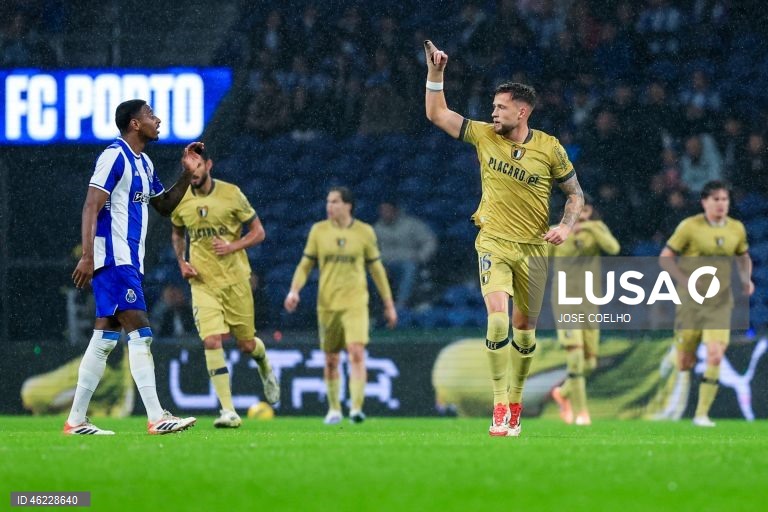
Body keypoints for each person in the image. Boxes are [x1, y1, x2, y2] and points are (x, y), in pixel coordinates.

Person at [423, 40, 584, 437]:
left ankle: (515, 400)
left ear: (522, 111)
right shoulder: (483, 136)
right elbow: (437, 113)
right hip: (493, 241)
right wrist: (436, 73)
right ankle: (498, 406)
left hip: (534, 249)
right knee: (497, 323)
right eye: (493, 107)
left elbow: (575, 194)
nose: (493, 112)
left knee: (525, 333)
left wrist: (564, 226)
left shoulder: (550, 148)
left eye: (500, 107)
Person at [65, 99, 202, 435]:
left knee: (105, 339)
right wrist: (87, 255)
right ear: (135, 124)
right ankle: (156, 416)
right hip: (113, 258)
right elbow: (90, 205)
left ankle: (75, 420)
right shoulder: (114, 156)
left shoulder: (144, 163)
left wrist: (186, 173)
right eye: (150, 115)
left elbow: (165, 206)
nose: (157, 120)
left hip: (129, 261)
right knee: (141, 332)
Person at [170, 149, 280, 428]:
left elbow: (259, 232)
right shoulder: (181, 199)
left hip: (235, 281)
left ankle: (264, 364)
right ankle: (228, 410)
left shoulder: (232, 194)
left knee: (246, 345)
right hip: (203, 283)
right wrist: (182, 262)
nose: (191, 171)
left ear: (208, 164)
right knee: (212, 340)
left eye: (196, 165)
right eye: (187, 167)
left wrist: (233, 246)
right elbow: (177, 231)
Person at [283, 187, 397, 424]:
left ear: (348, 205)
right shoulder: (318, 231)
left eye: (334, 201)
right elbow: (305, 265)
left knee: (356, 352)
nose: (329, 206)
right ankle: (334, 408)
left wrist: (389, 304)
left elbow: (376, 270)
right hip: (327, 304)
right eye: (328, 201)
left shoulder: (365, 232)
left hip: (356, 302)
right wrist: (294, 291)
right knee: (331, 359)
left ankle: (356, 408)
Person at [658, 180, 754, 427]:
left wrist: (745, 279)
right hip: (691, 302)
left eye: (725, 200)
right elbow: (666, 258)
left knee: (714, 355)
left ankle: (701, 414)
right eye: (716, 199)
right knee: (685, 361)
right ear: (704, 202)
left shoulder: (737, 229)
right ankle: (673, 357)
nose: (721, 204)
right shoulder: (689, 227)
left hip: (720, 302)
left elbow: (743, 258)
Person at [549, 194, 620, 426]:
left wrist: (592, 226)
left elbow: (613, 248)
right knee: (576, 358)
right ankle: (582, 413)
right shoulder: (557, 231)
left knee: (589, 363)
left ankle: (564, 392)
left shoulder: (595, 230)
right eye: (578, 211)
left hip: (590, 301)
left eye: (586, 211)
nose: (582, 216)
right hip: (565, 300)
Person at [373, 200, 437, 310]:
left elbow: (429, 241)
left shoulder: (412, 225)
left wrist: (421, 257)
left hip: (407, 261)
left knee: (409, 269)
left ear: (395, 211)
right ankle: (376, 309)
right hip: (385, 263)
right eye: (382, 210)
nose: (384, 213)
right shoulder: (377, 228)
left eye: (387, 210)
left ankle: (400, 306)